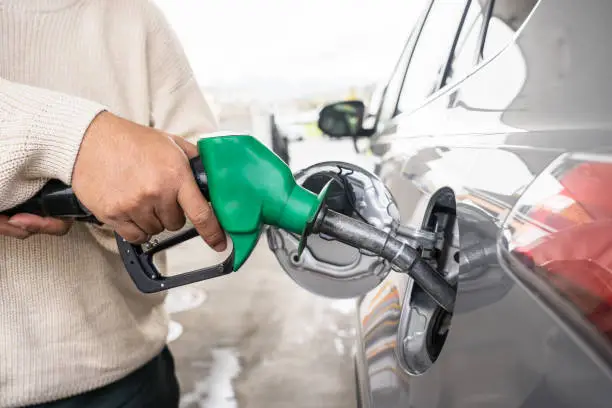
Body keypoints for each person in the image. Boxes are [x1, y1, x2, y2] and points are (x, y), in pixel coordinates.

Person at [0, 0, 227, 406]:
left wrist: (121, 199)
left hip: (124, 378)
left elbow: (196, 158)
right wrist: (75, 139)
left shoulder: (135, 16)